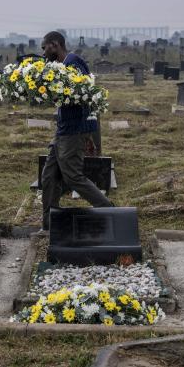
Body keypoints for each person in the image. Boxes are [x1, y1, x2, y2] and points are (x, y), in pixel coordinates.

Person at [40, 31, 113, 231]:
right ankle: (49, 221)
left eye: (44, 47)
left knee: (72, 176)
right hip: (63, 129)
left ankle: (107, 209)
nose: (43, 52)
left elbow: (84, 96)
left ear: (54, 45)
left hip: (73, 130)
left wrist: (89, 134)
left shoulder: (74, 63)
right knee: (49, 175)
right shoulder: (63, 66)